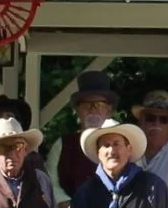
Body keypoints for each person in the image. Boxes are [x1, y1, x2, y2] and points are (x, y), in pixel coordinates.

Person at [51, 72, 122, 200]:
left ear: (109, 110)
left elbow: (135, 180)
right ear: (77, 110)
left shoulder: (125, 142)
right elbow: (50, 183)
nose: (93, 109)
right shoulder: (62, 145)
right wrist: (65, 204)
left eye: (99, 104)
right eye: (86, 104)